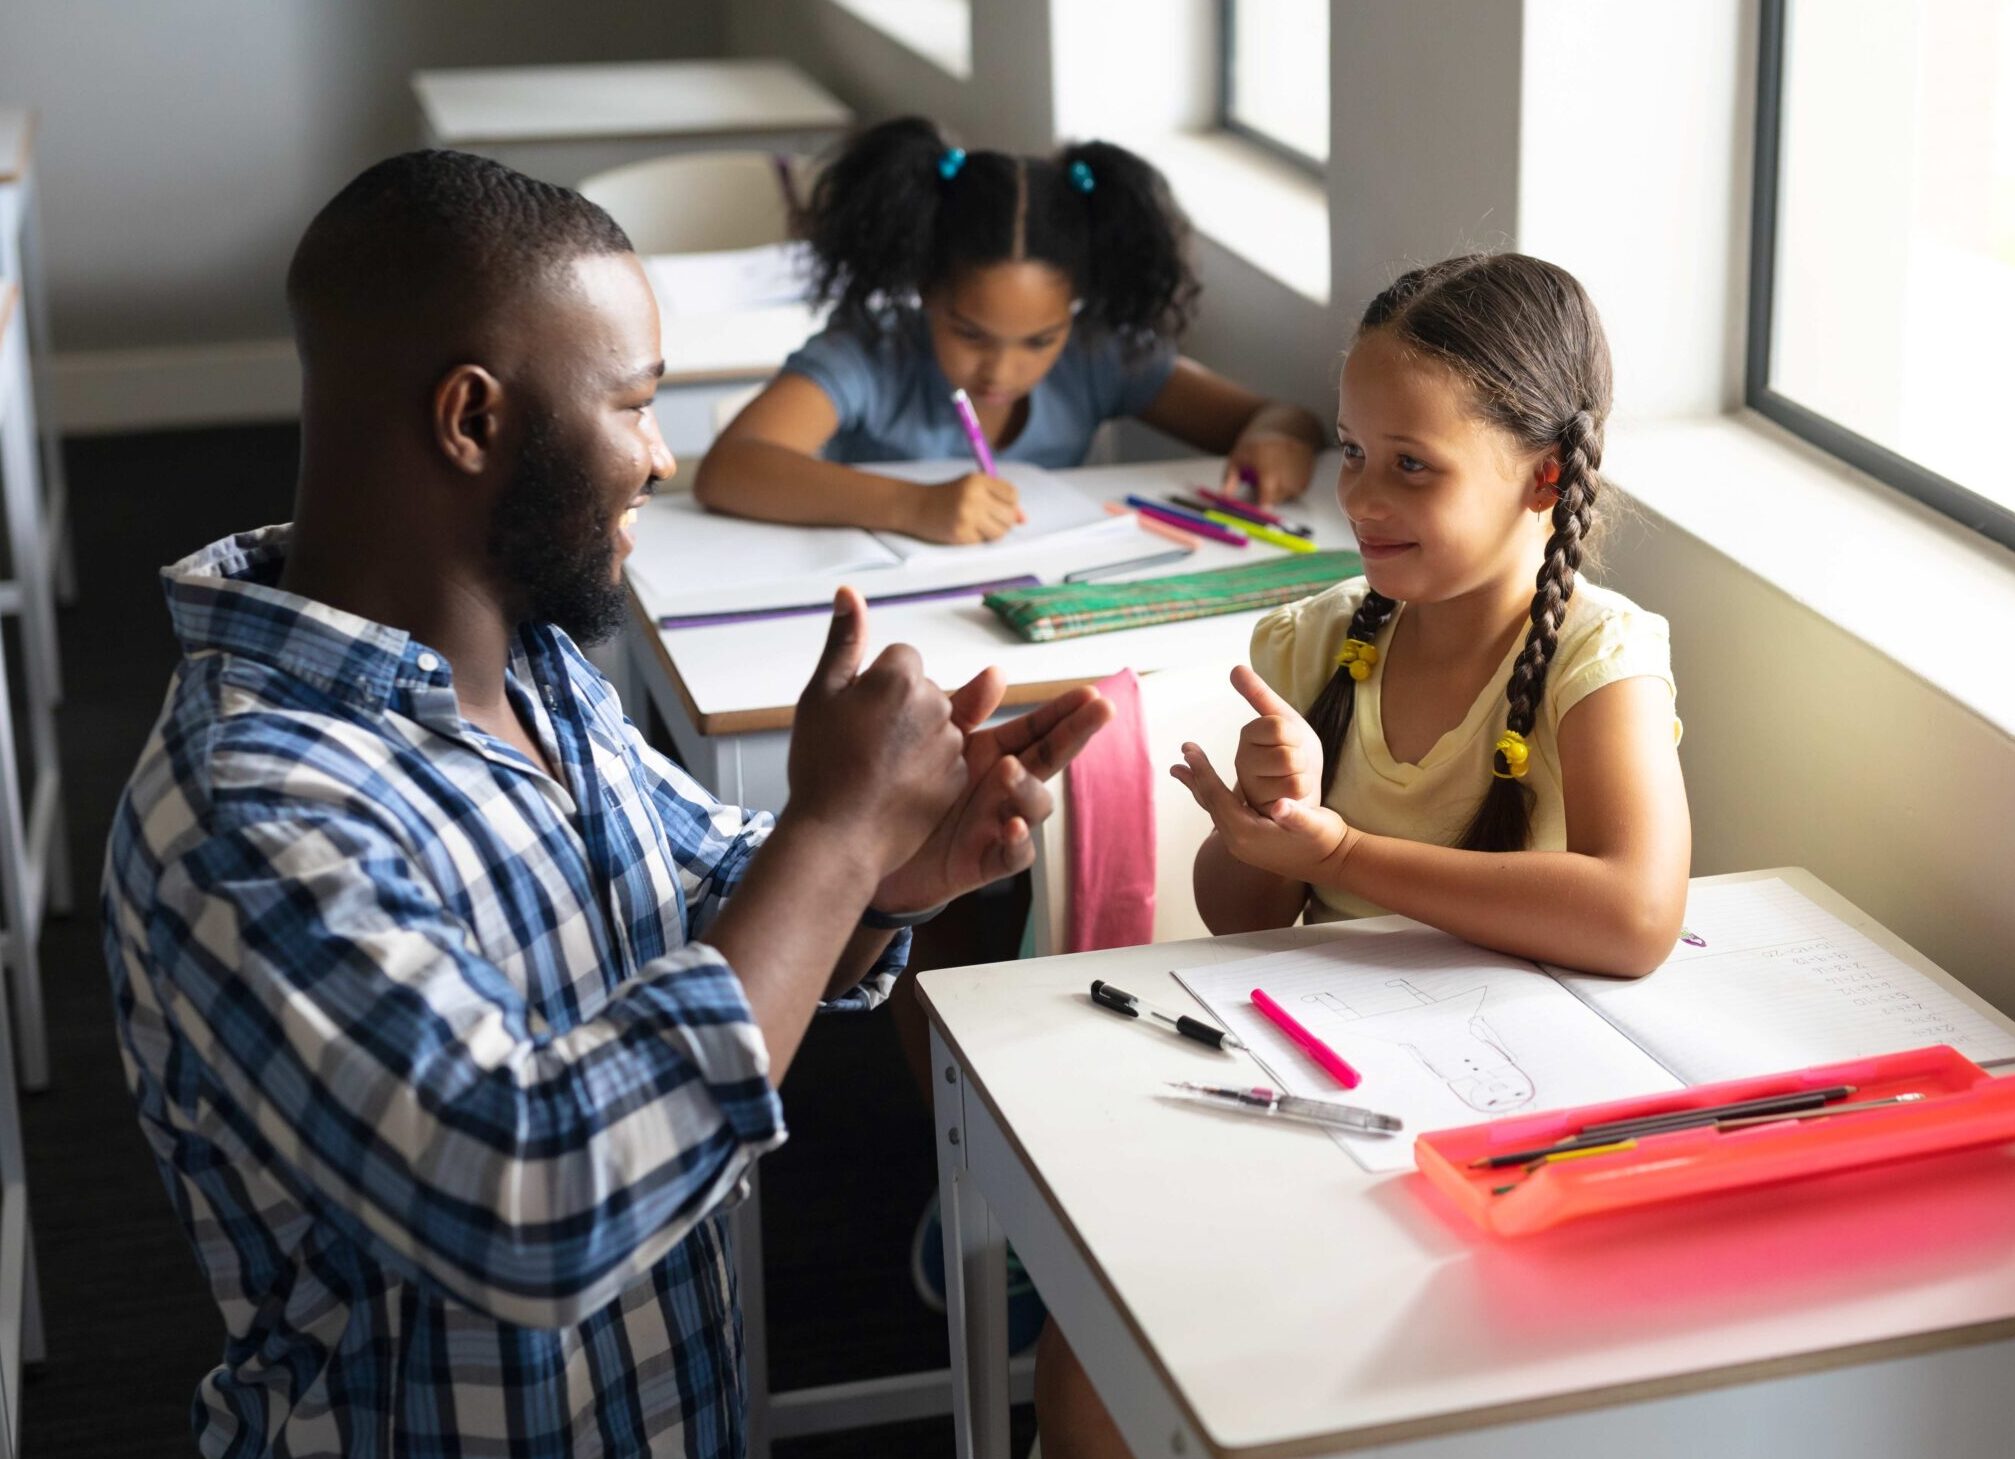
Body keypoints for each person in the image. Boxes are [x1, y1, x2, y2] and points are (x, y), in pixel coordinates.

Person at [101, 148, 1109, 1459]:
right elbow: (536, 1201)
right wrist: (836, 832)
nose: (662, 454)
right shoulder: (245, 812)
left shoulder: (536, 665)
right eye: (633, 404)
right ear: (472, 420)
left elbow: (712, 895)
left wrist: (883, 870)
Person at [1035, 252, 1690, 1457]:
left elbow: (1634, 914)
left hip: (1525, 1122)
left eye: (1411, 467)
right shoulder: (1314, 642)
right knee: (1092, 1337)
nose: (1361, 497)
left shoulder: (1601, 658)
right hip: (1330, 1083)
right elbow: (1239, 921)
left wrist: (1344, 844)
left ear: (1541, 477)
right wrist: (1267, 835)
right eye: (1350, 450)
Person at [692, 115, 1325, 541]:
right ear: (926, 290)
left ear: (1074, 309)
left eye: (1039, 341)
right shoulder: (869, 353)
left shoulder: (1097, 354)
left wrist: (1278, 439)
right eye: (969, 333)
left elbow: (1280, 418)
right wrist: (914, 505)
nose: (1002, 371)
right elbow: (732, 469)